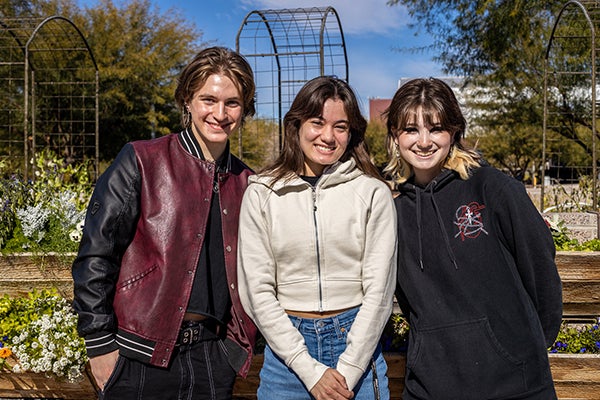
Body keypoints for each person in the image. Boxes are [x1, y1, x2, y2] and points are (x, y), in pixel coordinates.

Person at [71, 46, 258, 399]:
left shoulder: (248, 181)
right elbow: (96, 255)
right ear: (187, 100)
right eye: (208, 99)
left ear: (244, 108)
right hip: (137, 357)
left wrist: (232, 353)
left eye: (232, 103)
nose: (220, 113)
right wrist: (99, 345)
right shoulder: (142, 160)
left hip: (212, 360)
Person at [383, 77, 563, 400]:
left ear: (454, 132)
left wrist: (527, 348)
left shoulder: (493, 189)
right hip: (431, 388)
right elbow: (413, 304)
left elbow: (539, 266)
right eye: (411, 129)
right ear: (395, 137)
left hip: (516, 385)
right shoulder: (393, 213)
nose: (423, 141)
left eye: (435, 128)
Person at [237, 76, 398, 400]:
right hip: (287, 355)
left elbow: (379, 291)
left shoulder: (372, 193)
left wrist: (349, 369)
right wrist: (307, 368)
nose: (328, 136)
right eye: (317, 122)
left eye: (340, 126)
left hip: (358, 349)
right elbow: (257, 290)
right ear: (296, 125)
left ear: (352, 133)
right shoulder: (262, 192)